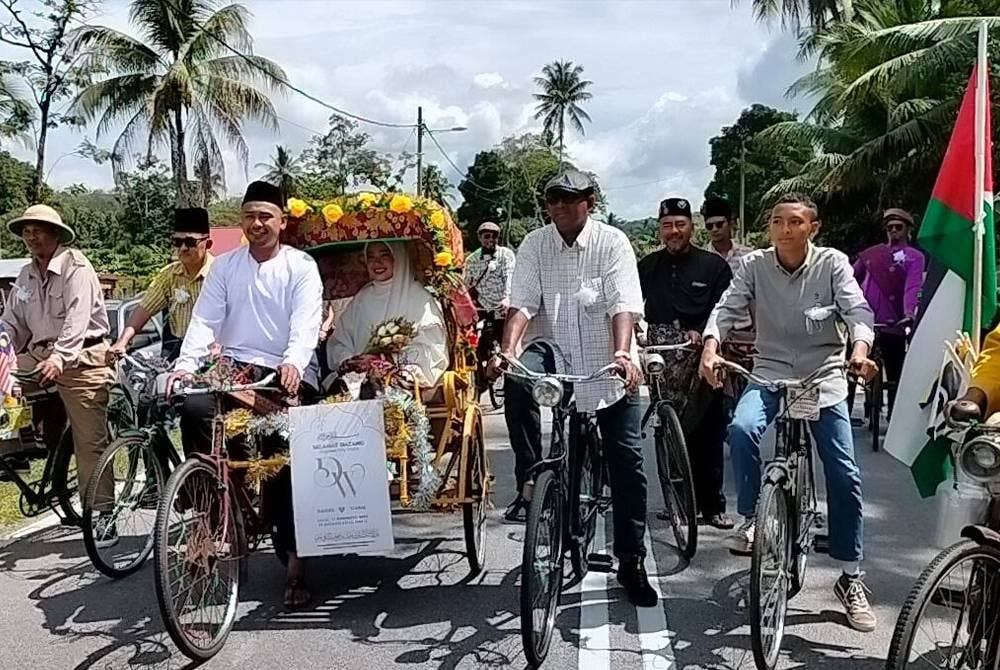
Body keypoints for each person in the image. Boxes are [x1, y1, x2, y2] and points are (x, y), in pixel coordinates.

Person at [700, 192, 879, 632]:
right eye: (777, 221)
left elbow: (858, 310)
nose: (785, 229)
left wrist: (860, 350)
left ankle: (850, 575)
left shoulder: (833, 263)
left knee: (843, 471)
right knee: (741, 429)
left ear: (812, 227)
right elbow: (726, 307)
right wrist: (710, 345)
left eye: (795, 221)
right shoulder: (755, 265)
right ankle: (750, 519)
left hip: (825, 373)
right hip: (770, 370)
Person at [488, 169, 656, 607]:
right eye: (552, 199)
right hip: (555, 353)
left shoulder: (612, 242)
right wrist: (507, 350)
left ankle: (631, 559)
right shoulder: (534, 244)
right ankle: (531, 476)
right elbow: (522, 303)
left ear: (590, 202)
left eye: (569, 198)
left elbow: (623, 303)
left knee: (627, 460)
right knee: (518, 379)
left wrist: (623, 354)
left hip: (608, 363)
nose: (559, 206)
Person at [168, 180, 323, 609]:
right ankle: (212, 515)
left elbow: (306, 323)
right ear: (241, 220)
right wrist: (184, 367)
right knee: (195, 408)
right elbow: (203, 321)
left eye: (265, 216)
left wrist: (292, 362)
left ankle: (295, 562)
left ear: (282, 222)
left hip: (285, 369)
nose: (257, 224)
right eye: (249, 216)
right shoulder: (225, 267)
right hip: (235, 368)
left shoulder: (301, 266)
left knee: (284, 452)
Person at [1, 204, 116, 543]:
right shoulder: (24, 274)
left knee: (90, 440)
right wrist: (3, 345)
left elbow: (77, 321)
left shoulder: (76, 267)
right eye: (26, 230)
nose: (30, 236)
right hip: (38, 355)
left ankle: (103, 512)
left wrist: (61, 358)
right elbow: (13, 323)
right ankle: (15, 453)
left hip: (81, 358)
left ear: (55, 233)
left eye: (37, 229)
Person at [637, 196, 734, 529]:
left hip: (703, 359)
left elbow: (726, 312)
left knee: (709, 431)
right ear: (660, 229)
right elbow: (634, 308)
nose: (674, 231)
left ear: (691, 226)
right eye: (667, 226)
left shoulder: (714, 267)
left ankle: (713, 506)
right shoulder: (647, 267)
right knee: (668, 430)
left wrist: (704, 335)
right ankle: (677, 502)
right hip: (662, 365)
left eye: (680, 224)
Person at [326, 241, 447, 388]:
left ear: (398, 258)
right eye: (370, 257)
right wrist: (353, 361)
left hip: (399, 377)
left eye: (384, 255)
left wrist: (387, 360)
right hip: (358, 378)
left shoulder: (419, 297)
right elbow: (340, 341)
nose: (377, 263)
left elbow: (432, 348)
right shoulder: (362, 299)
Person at [108, 207, 214, 362]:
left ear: (208, 244)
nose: (183, 248)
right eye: (178, 242)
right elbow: (144, 309)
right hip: (176, 352)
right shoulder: (169, 275)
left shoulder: (220, 273)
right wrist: (122, 341)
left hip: (212, 353)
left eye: (190, 242)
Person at [848, 208, 925, 416]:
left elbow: (913, 286)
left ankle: (894, 414)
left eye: (898, 227)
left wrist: (909, 313)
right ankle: (845, 412)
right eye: (890, 228)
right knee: (852, 366)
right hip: (864, 319)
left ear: (908, 229)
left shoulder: (914, 257)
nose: (893, 231)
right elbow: (849, 278)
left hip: (894, 321)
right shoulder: (873, 254)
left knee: (894, 372)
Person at [464, 221, 515, 391]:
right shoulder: (471, 260)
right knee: (476, 344)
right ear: (479, 238)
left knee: (507, 343)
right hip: (483, 307)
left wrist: (507, 298)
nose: (490, 240)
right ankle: (481, 379)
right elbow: (467, 284)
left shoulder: (506, 255)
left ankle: (510, 379)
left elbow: (509, 276)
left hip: (502, 306)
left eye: (494, 236)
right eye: (487, 236)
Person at [702, 196, 752, 272]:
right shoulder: (699, 259)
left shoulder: (748, 256)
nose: (714, 229)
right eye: (709, 226)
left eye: (719, 224)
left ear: (730, 224)